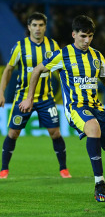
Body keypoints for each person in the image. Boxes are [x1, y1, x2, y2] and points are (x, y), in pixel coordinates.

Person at [19, 15, 105, 208]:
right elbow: (37, 70)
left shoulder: (97, 56)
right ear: (74, 34)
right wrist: (29, 98)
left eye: (90, 36)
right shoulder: (62, 54)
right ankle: (99, 182)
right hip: (75, 107)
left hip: (96, 107)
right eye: (83, 36)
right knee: (93, 128)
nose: (86, 40)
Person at [0, 12, 71, 179]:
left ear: (45, 27)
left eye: (41, 25)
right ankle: (4, 169)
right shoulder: (20, 47)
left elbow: (62, 70)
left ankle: (64, 169)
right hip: (22, 99)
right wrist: (1, 92)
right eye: (34, 25)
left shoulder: (53, 46)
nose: (38, 28)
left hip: (46, 99)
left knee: (55, 132)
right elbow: (8, 69)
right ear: (29, 27)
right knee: (13, 134)